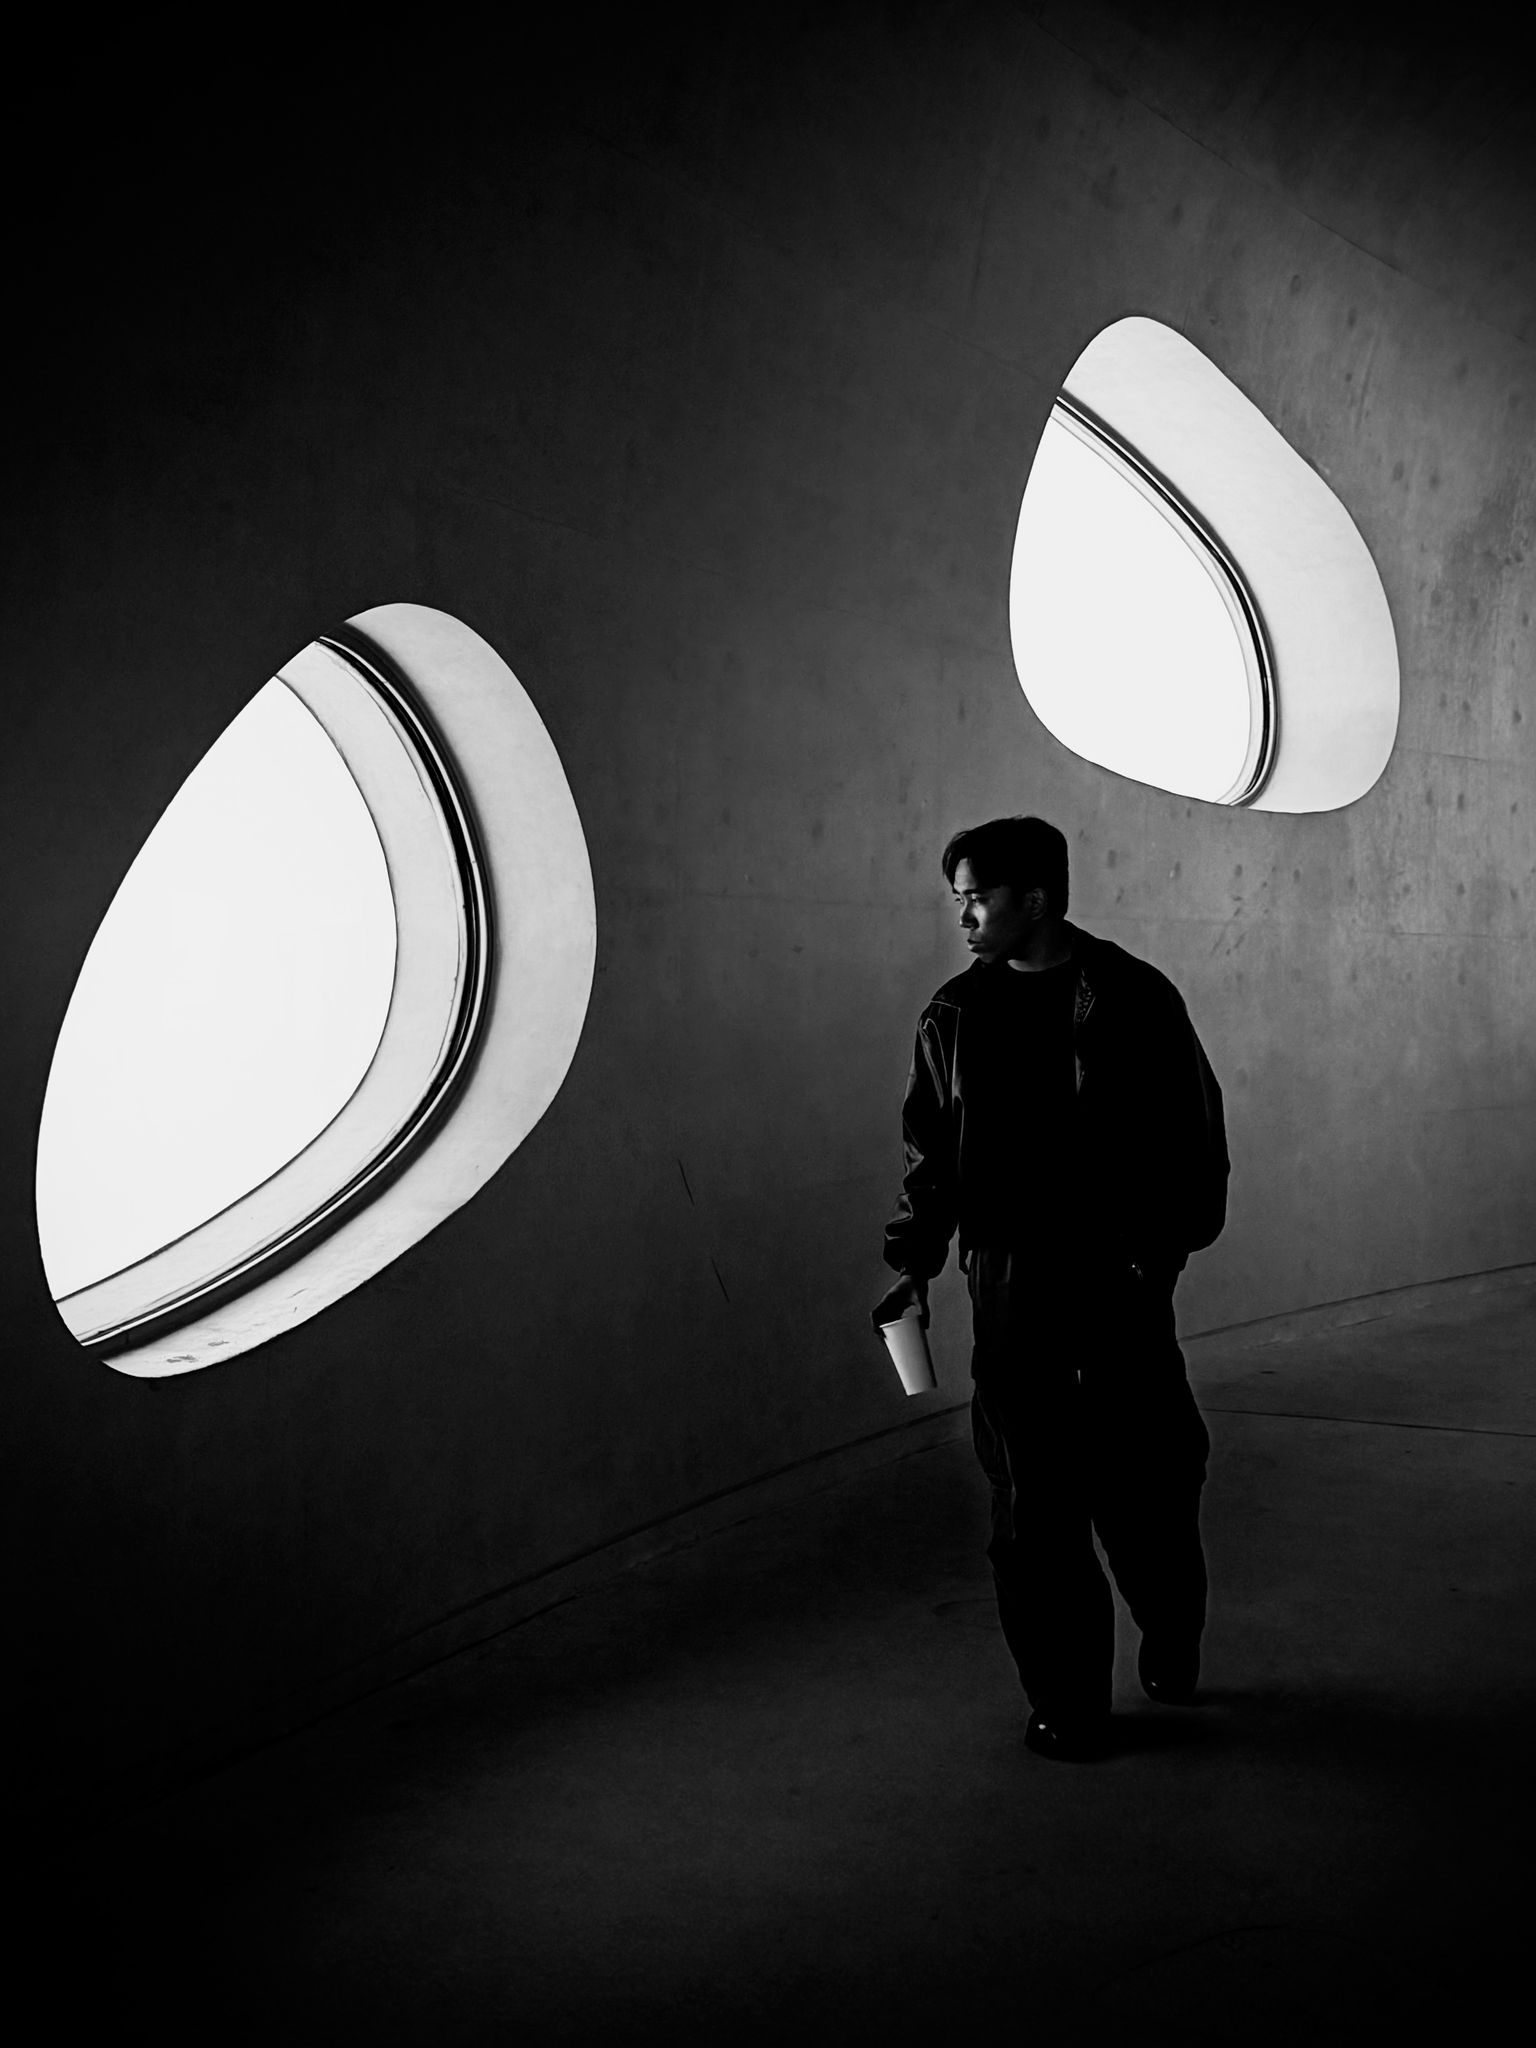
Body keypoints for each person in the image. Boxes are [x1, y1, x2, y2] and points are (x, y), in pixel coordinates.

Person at [872, 815, 1229, 1762]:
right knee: (1032, 1507)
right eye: (958, 899)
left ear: (1036, 898)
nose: (964, 915)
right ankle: (1068, 1699)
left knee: (1146, 1480)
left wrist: (1154, 1262)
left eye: (977, 897)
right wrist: (912, 1258)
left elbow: (1193, 1142)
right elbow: (931, 1157)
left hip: (1116, 1286)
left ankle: (1171, 1623)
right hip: (1011, 1291)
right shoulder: (951, 1016)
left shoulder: (1133, 997)